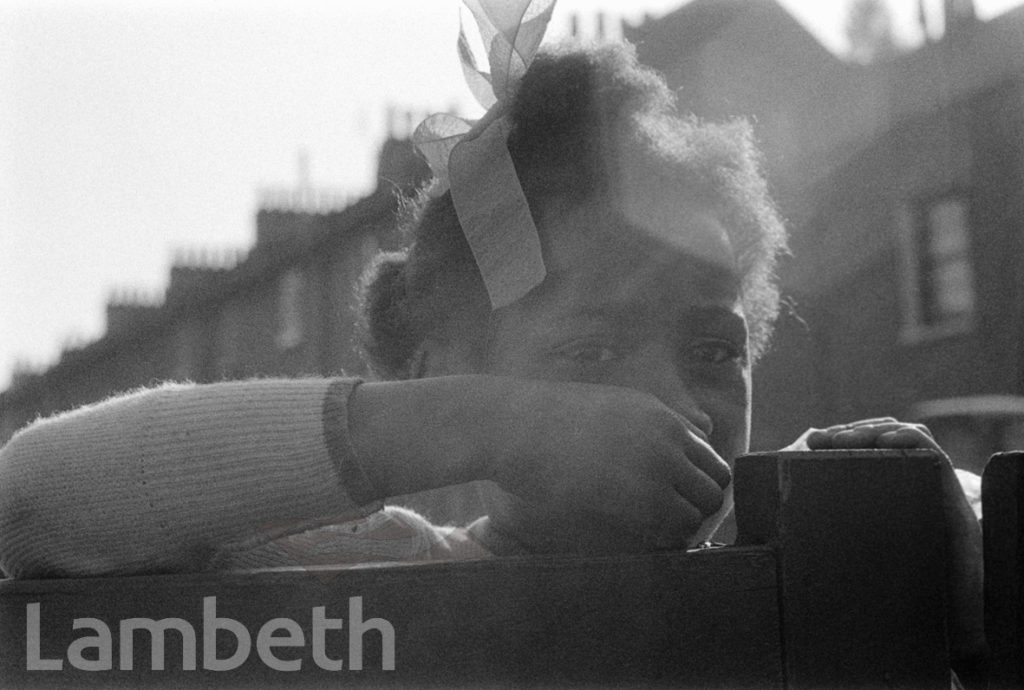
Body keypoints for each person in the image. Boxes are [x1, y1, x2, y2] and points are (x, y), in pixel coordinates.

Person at [0, 0, 984, 674]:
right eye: (589, 353)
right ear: (443, 378)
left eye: (716, 353)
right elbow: (33, 503)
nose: (679, 406)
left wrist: (949, 542)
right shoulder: (361, 583)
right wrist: (497, 426)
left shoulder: (816, 571)